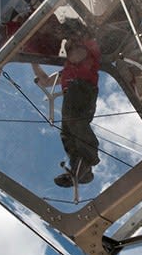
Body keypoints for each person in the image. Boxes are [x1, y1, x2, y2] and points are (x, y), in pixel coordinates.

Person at [33, 20, 100, 188]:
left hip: (83, 88)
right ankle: (79, 166)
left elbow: (78, 54)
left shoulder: (87, 48)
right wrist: (33, 61)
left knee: (74, 121)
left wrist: (67, 41)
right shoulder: (69, 67)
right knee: (67, 132)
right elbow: (46, 81)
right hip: (73, 92)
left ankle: (87, 161)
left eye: (69, 42)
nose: (67, 45)